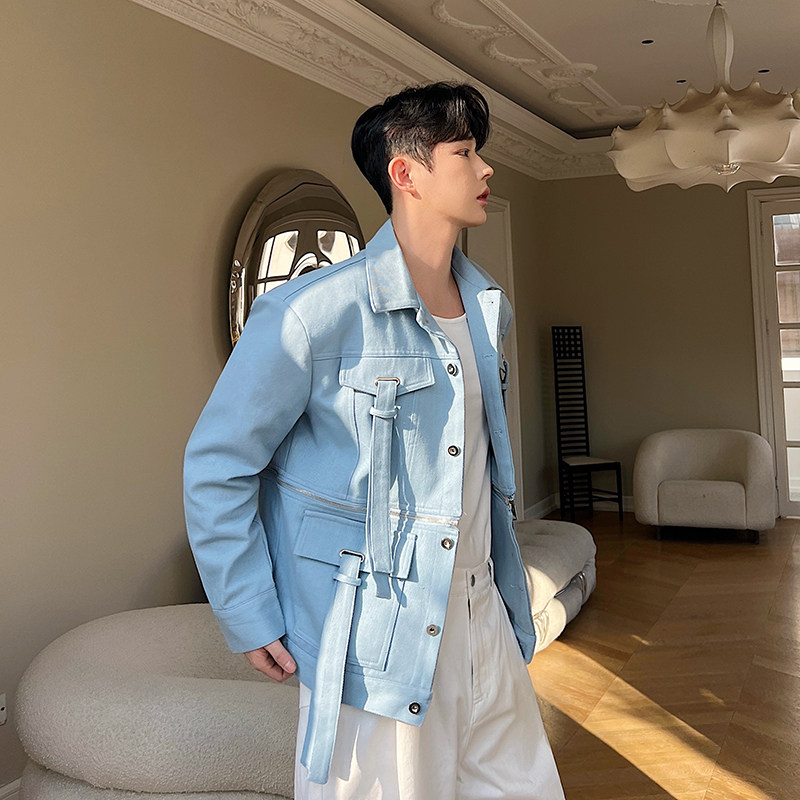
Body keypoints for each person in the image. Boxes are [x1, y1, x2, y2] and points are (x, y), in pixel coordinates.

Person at [183, 81, 565, 799]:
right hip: (378, 634)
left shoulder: (488, 307)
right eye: (465, 153)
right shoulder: (312, 314)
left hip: (485, 610)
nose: (486, 169)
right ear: (406, 173)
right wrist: (248, 609)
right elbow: (217, 464)